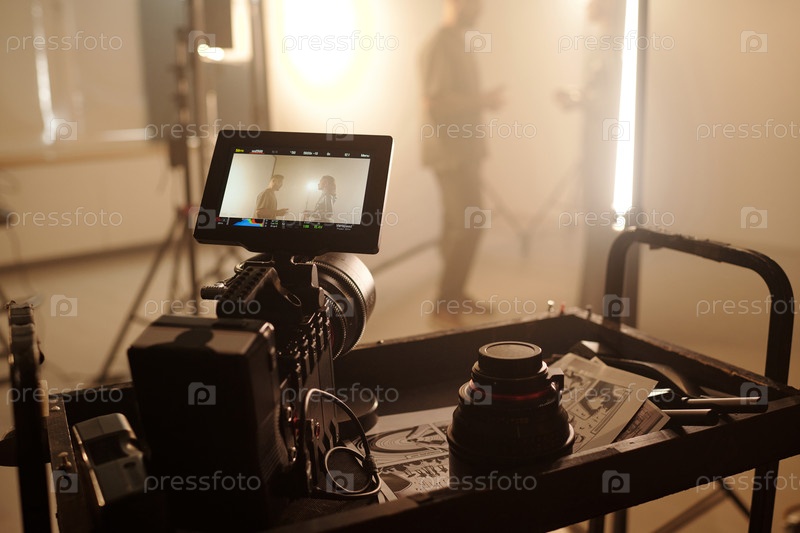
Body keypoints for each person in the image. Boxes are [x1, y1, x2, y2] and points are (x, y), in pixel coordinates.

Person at [420, 0, 504, 310]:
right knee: (469, 224)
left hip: (461, 153)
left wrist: (481, 101)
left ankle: (452, 294)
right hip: (452, 155)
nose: (481, 9)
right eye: (476, 3)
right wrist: (482, 100)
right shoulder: (441, 45)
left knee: (457, 226)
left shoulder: (455, 43)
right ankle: (447, 298)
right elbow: (436, 103)